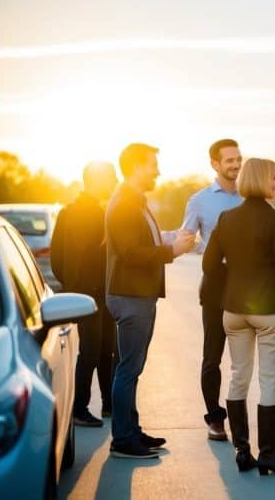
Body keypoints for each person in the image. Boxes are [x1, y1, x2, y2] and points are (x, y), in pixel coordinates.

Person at [203, 158, 275, 475]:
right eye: (274, 177)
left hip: (233, 309)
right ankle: (268, 454)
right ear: (262, 181)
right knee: (268, 380)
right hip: (269, 310)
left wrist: (235, 275)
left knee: (238, 376)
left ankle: (242, 450)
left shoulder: (226, 218)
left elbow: (208, 265)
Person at [105, 143, 195, 459]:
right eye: (153, 164)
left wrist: (174, 238)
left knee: (129, 367)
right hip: (130, 296)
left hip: (138, 295)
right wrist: (173, 252)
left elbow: (147, 241)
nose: (158, 170)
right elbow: (131, 253)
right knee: (129, 369)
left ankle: (131, 431)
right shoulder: (125, 204)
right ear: (135, 167)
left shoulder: (136, 202)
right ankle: (123, 441)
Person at [180, 139, 243, 441]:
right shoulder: (199, 200)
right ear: (215, 164)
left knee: (243, 357)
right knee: (213, 356)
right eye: (229, 160)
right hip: (216, 282)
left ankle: (240, 416)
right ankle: (215, 418)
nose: (235, 164)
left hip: (247, 284)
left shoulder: (250, 197)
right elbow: (187, 238)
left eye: (238, 159)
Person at [51, 161, 118, 427]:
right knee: (93, 350)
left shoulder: (70, 212)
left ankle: (109, 404)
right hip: (92, 293)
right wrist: (82, 284)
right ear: (97, 181)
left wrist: (69, 283)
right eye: (110, 178)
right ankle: (80, 408)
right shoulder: (92, 213)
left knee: (104, 348)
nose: (114, 183)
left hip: (89, 292)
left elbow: (56, 257)